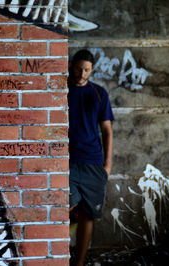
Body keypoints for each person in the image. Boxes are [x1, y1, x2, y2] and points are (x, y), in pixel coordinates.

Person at [67, 49, 114, 266]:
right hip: (66, 162)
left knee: (88, 214)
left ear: (91, 70)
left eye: (86, 70)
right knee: (63, 207)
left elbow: (107, 130)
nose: (82, 73)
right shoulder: (61, 90)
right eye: (79, 68)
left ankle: (78, 263)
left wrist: (107, 165)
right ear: (71, 66)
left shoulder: (99, 93)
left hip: (93, 162)